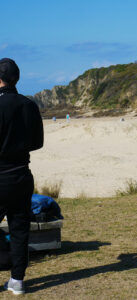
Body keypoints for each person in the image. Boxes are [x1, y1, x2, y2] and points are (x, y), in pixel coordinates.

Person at [0, 58, 44, 295]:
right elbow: (38, 142)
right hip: (21, 175)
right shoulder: (29, 105)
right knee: (19, 229)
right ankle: (17, 280)